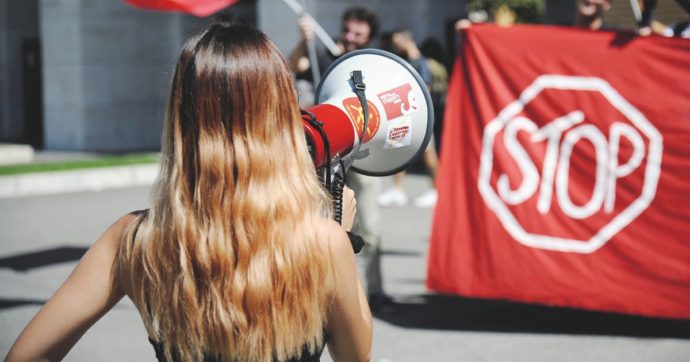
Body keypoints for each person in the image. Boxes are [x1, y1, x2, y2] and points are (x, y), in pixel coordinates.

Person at [6, 22, 371, 362]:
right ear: (279, 120)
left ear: (183, 116)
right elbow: (356, 357)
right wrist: (343, 241)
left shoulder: (132, 241)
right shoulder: (324, 242)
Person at [289, 7, 393, 311]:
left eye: (357, 34)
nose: (349, 38)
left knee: (369, 227)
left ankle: (375, 290)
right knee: (324, 225)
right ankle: (328, 295)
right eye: (347, 31)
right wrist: (302, 39)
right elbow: (296, 64)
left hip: (365, 156)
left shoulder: (375, 63)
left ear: (368, 37)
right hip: (329, 156)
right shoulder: (324, 53)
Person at [377, 29, 440, 208]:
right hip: (404, 115)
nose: (396, 46)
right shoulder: (406, 61)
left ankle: (436, 189)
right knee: (400, 150)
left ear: (407, 40)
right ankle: (397, 190)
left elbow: (425, 89)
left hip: (420, 116)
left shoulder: (421, 63)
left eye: (398, 42)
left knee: (429, 153)